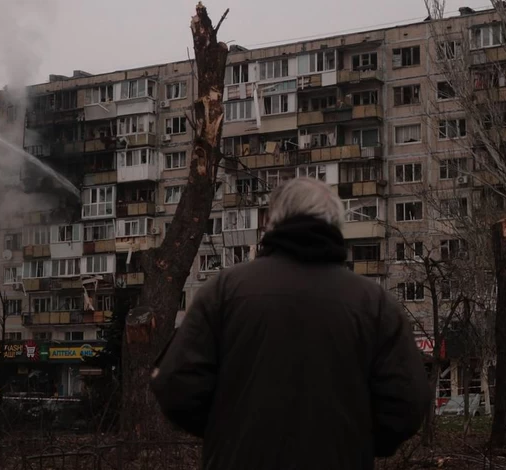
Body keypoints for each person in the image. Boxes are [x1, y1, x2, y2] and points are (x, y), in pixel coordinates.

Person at [151, 177, 430, 470]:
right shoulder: (375, 303)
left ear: (271, 221)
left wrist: (228, 432)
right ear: (336, 224)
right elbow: (407, 402)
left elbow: (176, 384)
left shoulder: (223, 291)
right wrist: (358, 441)